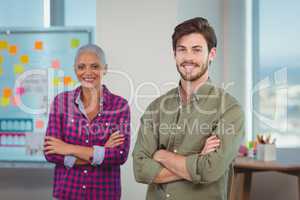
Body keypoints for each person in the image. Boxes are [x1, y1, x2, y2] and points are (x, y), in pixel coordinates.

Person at [132, 17, 244, 200]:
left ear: (212, 54)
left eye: (197, 50)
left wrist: (161, 155)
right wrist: (198, 159)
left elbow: (210, 170)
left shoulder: (230, 110)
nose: (189, 58)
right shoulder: (156, 108)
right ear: (174, 54)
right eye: (182, 50)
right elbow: (140, 169)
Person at [44, 44, 130, 200]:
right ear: (75, 69)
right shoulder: (61, 102)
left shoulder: (120, 105)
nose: (88, 72)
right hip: (68, 193)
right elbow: (51, 152)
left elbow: (119, 155)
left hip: (104, 194)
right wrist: (101, 152)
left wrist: (68, 148)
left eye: (95, 66)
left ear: (105, 68)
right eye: (81, 67)